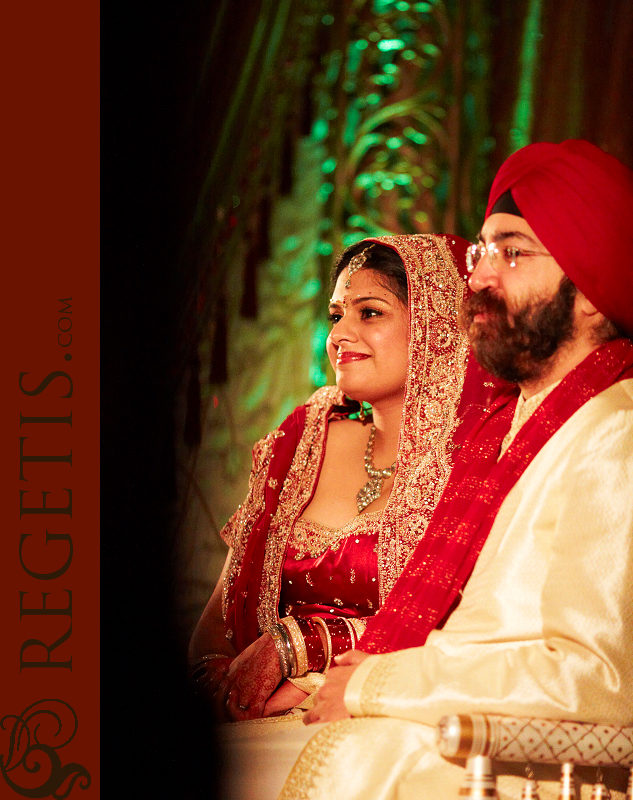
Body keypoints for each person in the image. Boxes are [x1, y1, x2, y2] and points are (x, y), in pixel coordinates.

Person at [279, 140, 633, 800]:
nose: (478, 277)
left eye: (512, 251)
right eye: (480, 252)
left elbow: (596, 679)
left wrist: (371, 685)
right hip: (448, 729)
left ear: (588, 290)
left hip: (504, 761)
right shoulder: (506, 429)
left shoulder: (614, 433)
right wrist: (323, 678)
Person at [188, 234, 497, 722]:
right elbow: (217, 625)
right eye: (336, 316)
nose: (339, 335)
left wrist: (300, 648)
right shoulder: (301, 440)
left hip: (395, 726)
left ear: (436, 325)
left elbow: (475, 631)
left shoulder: (477, 457)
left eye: (369, 312)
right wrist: (224, 684)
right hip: (255, 726)